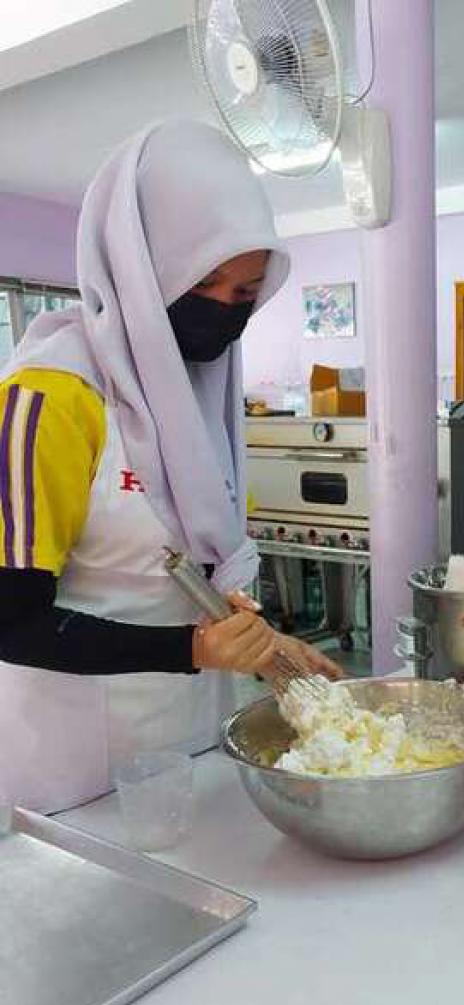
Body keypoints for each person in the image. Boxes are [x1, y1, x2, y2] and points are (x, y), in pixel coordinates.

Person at [0, 119, 340, 815]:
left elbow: (181, 570)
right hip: (73, 766)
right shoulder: (51, 398)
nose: (222, 312)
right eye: (201, 282)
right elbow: (11, 623)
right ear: (135, 270)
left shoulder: (197, 390)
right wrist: (195, 649)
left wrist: (264, 648)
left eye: (245, 294)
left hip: (190, 746)